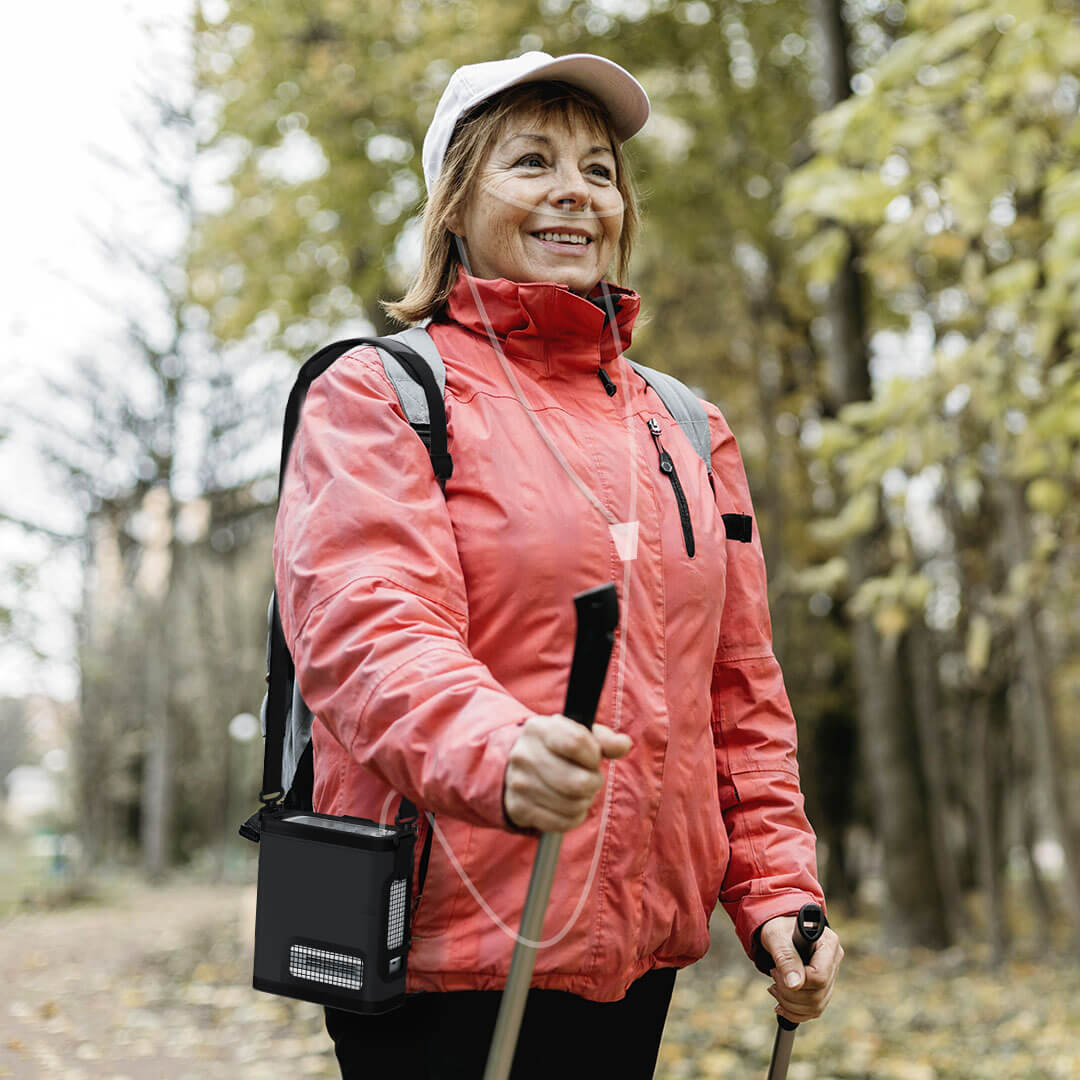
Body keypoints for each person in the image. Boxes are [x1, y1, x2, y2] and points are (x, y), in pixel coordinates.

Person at [273, 50, 843, 1079]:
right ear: (455, 203)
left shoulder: (687, 427)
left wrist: (778, 891)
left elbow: (739, 692)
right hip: (438, 956)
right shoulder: (379, 393)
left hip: (633, 962)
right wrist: (501, 752)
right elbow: (367, 630)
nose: (576, 191)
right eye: (532, 162)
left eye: (599, 169)